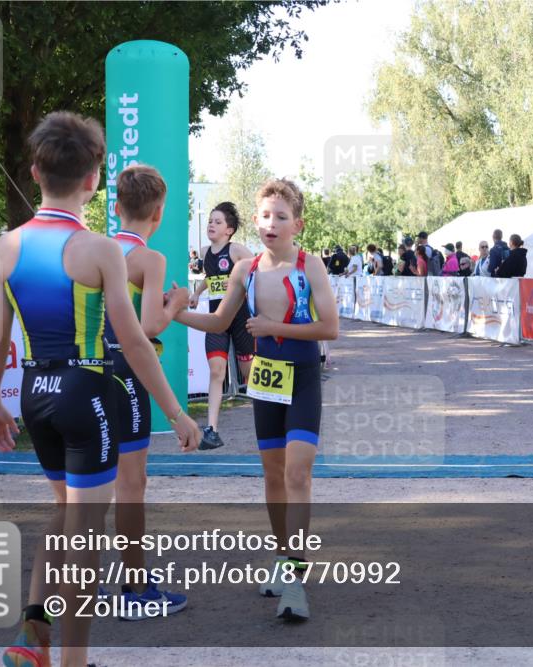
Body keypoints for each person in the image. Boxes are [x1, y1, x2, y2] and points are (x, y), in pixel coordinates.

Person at [0, 111, 200, 667]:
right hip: (86, 392)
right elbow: (136, 342)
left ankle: (32, 632)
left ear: (35, 172)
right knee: (84, 533)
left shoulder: (6, 246)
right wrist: (177, 413)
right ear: (93, 179)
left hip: (34, 391)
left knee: (66, 512)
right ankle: (72, 660)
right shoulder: (99, 249)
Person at [174, 178, 339, 621]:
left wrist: (273, 328)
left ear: (297, 224)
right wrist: (175, 313)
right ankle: (283, 557)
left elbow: (330, 328)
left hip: (303, 378)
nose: (271, 224)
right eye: (265, 216)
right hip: (266, 383)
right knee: (273, 476)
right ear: (255, 220)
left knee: (298, 474)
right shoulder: (244, 270)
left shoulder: (310, 266)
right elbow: (219, 322)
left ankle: (296, 579)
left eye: (281, 217)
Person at [96, 164, 193, 619]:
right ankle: (135, 588)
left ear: (116, 208)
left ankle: (83, 581)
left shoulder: (95, 249)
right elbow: (150, 325)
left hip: (87, 370)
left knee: (89, 481)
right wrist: (178, 302)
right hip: (125, 370)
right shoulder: (148, 259)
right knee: (131, 485)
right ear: (158, 214)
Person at [189, 201, 256, 450]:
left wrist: (242, 283)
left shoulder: (236, 250)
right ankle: (212, 430)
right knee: (216, 372)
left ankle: (272, 419)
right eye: (210, 221)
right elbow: (211, 277)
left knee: (250, 374)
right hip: (216, 319)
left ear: (229, 230)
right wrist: (197, 293)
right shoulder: (205, 252)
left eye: (217, 222)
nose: (211, 225)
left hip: (240, 319)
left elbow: (259, 271)